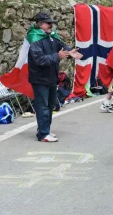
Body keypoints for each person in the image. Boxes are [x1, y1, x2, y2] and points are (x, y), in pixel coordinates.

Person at [28, 12, 81, 142]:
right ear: (40, 24)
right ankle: (43, 134)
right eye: (48, 23)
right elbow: (39, 60)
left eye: (51, 23)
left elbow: (62, 46)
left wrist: (70, 51)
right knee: (42, 106)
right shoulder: (35, 39)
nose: (51, 25)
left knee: (51, 105)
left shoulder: (51, 36)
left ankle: (45, 130)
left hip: (52, 76)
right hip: (39, 78)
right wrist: (58, 56)